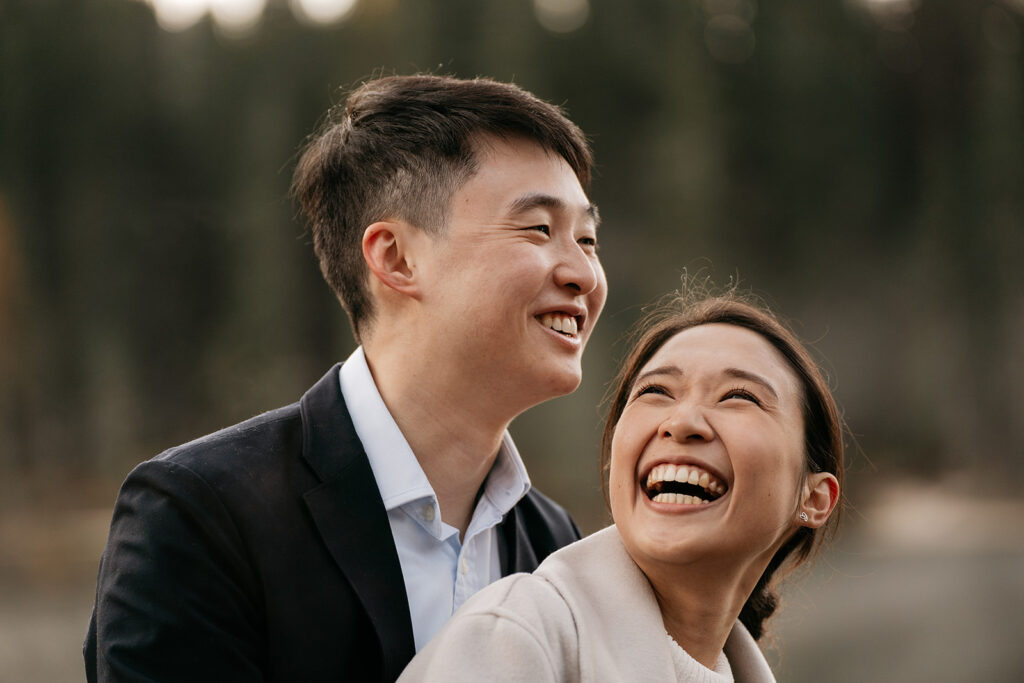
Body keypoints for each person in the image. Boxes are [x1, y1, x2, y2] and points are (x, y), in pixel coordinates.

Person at [84, 74, 607, 682]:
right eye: (539, 229)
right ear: (395, 258)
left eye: (588, 238)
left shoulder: (555, 543)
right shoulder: (200, 515)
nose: (584, 274)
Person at [399, 289, 843, 682]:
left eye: (738, 397)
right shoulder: (514, 641)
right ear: (616, 457)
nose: (681, 422)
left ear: (815, 497)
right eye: (656, 392)